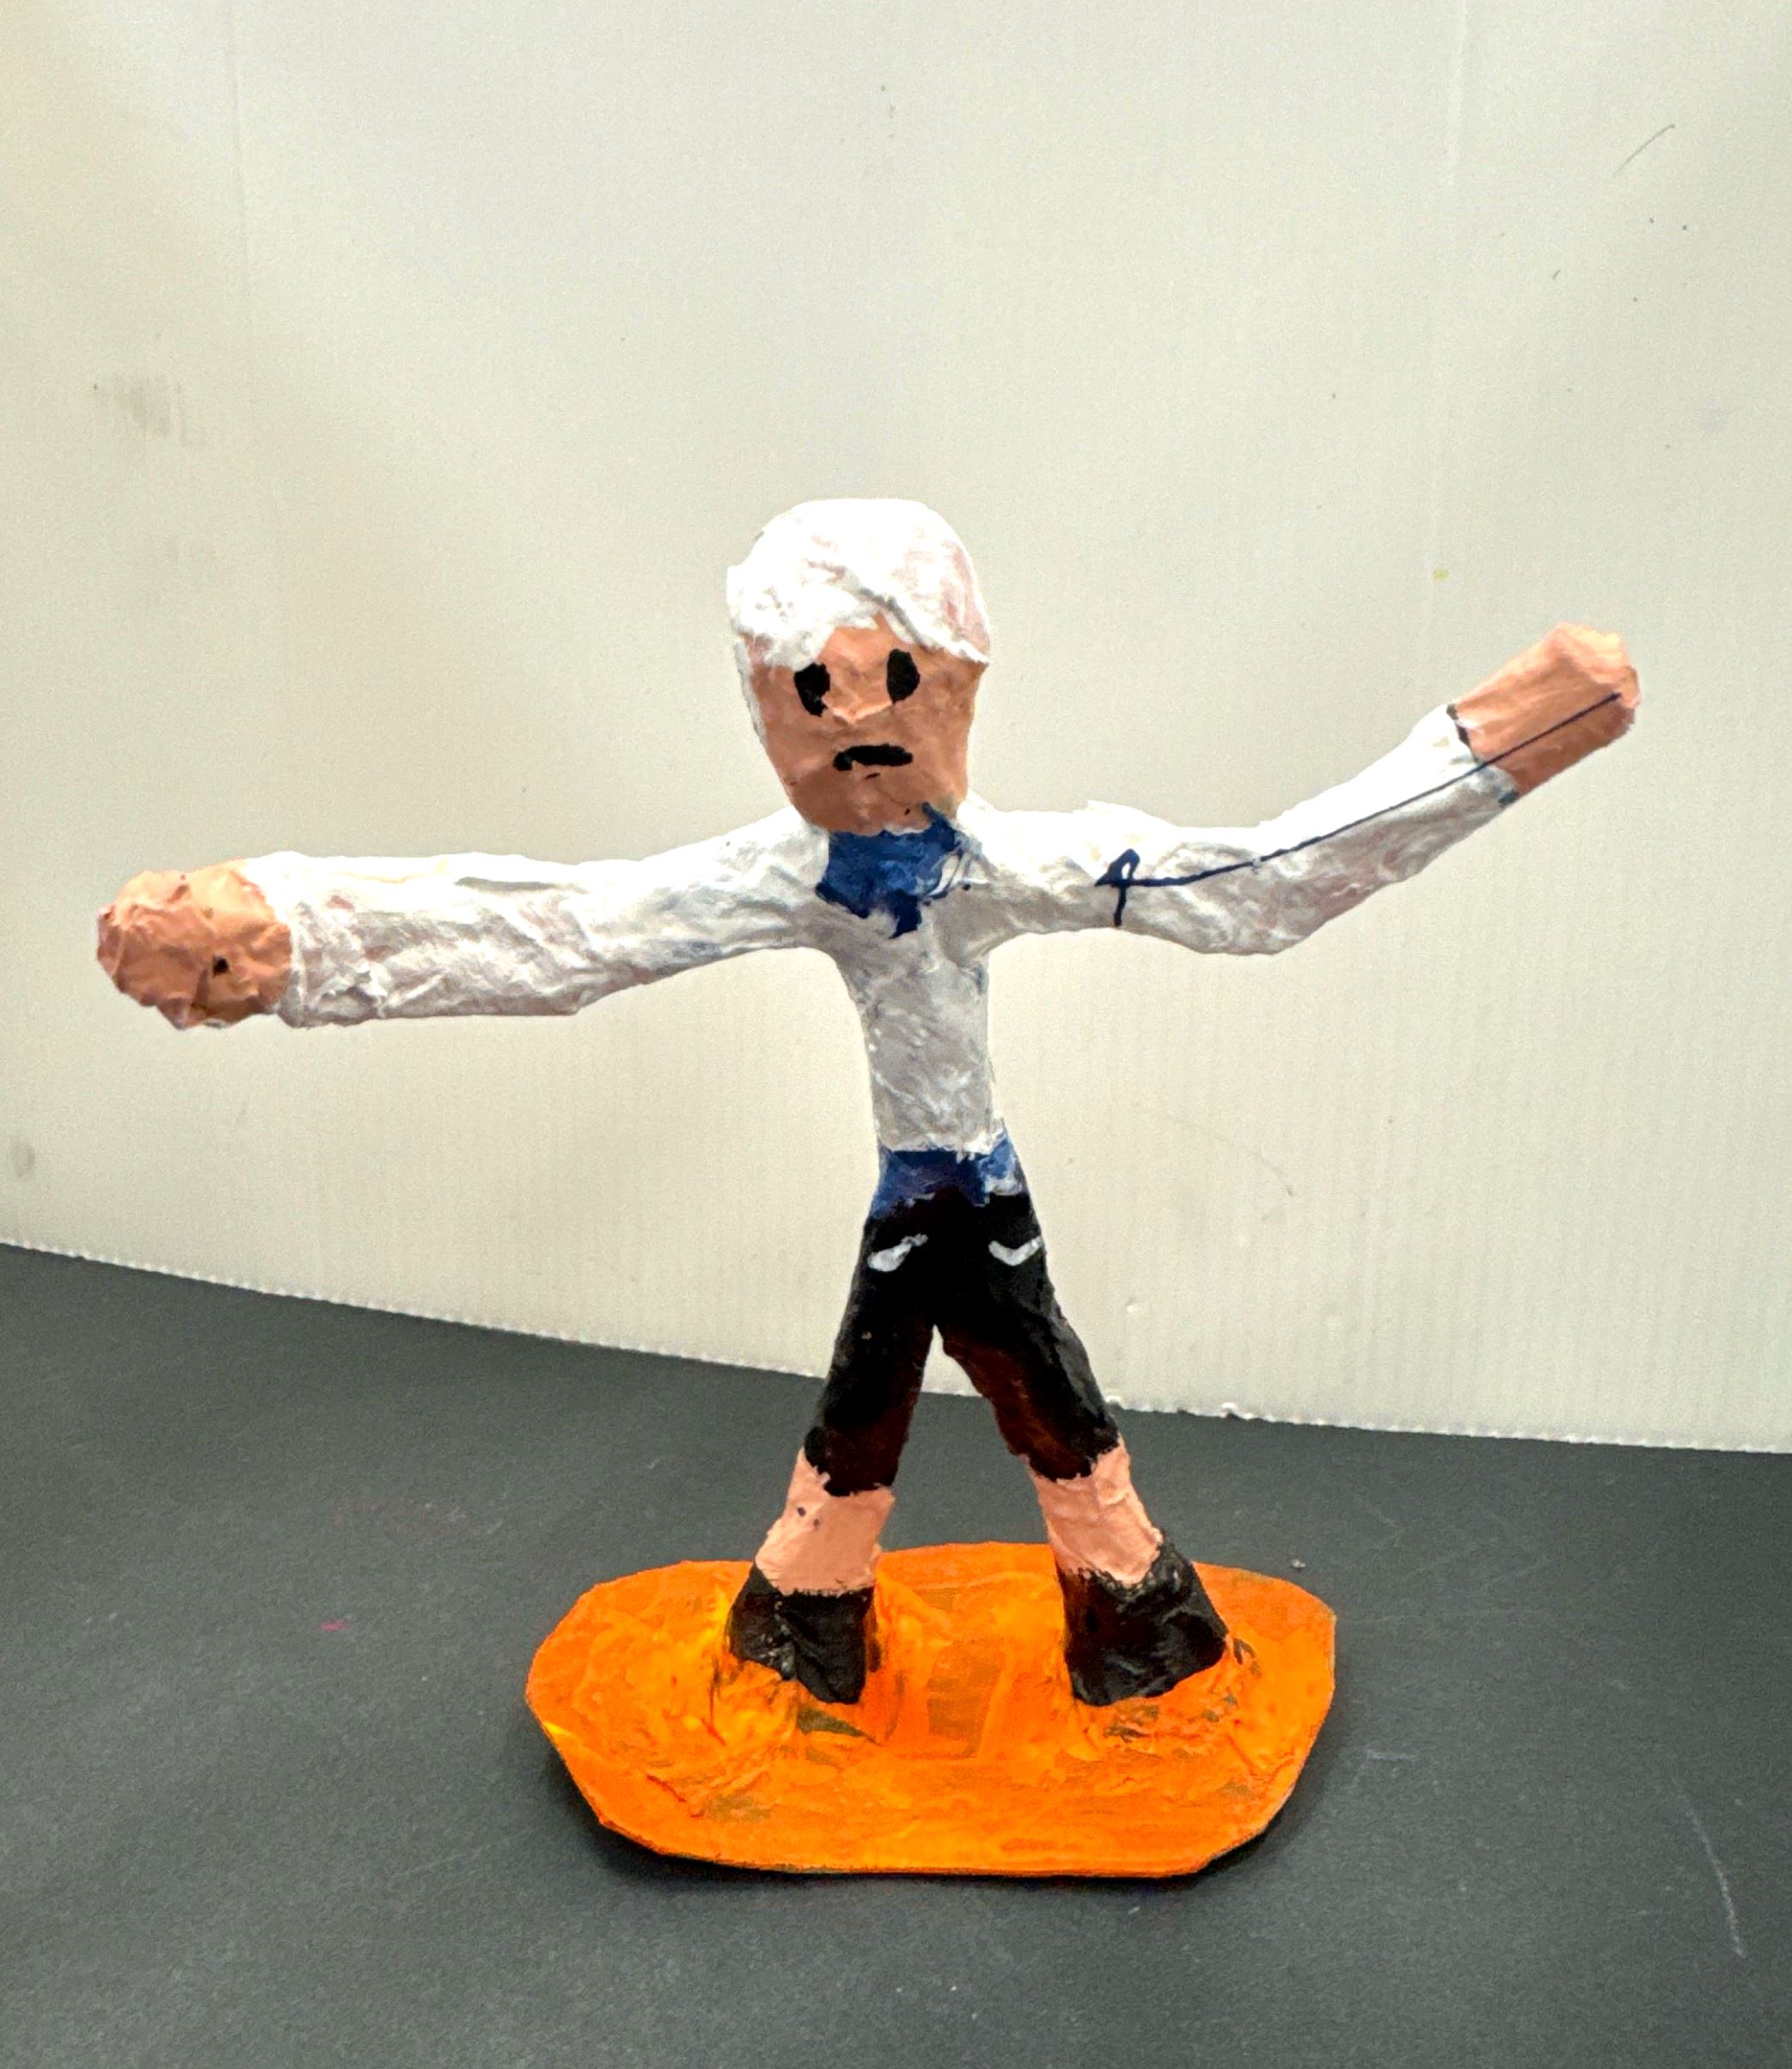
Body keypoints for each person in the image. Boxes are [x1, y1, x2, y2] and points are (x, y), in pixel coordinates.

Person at [97, 498, 1638, 1708]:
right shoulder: (777, 874)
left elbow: (1253, 886)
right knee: (980, 1356)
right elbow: (566, 931)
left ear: (959, 684)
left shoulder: (1017, 863)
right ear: (765, 711)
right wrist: (284, 937)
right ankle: (1077, 1606)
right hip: (949, 1184)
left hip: (945, 1181)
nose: (861, 722)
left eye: (898, 681)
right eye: (813, 695)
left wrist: (1494, 746)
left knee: (923, 1359)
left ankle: (869, 1606)